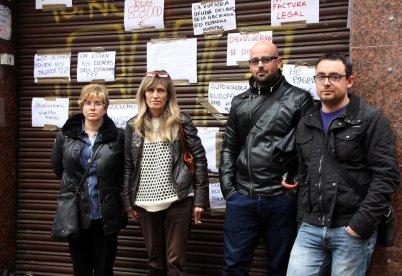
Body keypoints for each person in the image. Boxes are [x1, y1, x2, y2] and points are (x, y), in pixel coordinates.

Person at [286, 53, 400, 276]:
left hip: (350, 228)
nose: (326, 82)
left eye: (334, 76)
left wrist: (361, 225)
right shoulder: (306, 122)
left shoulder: (370, 119)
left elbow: (387, 176)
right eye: (321, 77)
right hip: (310, 229)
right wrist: (302, 220)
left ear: (349, 81)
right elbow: (304, 173)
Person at [219, 41, 314, 275]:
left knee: (279, 267)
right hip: (242, 198)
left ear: (278, 62)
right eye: (254, 61)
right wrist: (229, 190)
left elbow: (310, 151)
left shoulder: (299, 99)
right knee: (234, 267)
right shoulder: (239, 102)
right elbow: (229, 147)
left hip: (279, 200)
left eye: (266, 60)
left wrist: (292, 193)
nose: (260, 65)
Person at [121, 70, 209, 275]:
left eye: (160, 90)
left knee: (175, 262)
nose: (155, 95)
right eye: (150, 90)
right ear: (143, 94)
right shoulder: (133, 126)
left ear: (168, 95)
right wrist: (127, 202)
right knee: (154, 263)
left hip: (178, 200)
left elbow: (200, 159)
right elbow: (128, 166)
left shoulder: (181, 121)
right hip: (144, 203)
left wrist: (199, 200)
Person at [51, 84, 127, 276]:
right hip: (76, 213)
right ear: (81, 106)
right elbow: (58, 168)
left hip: (106, 214)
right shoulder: (66, 136)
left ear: (105, 107)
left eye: (98, 103)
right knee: (81, 269)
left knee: (104, 268)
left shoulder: (118, 136)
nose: (92, 107)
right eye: (88, 103)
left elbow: (125, 171)